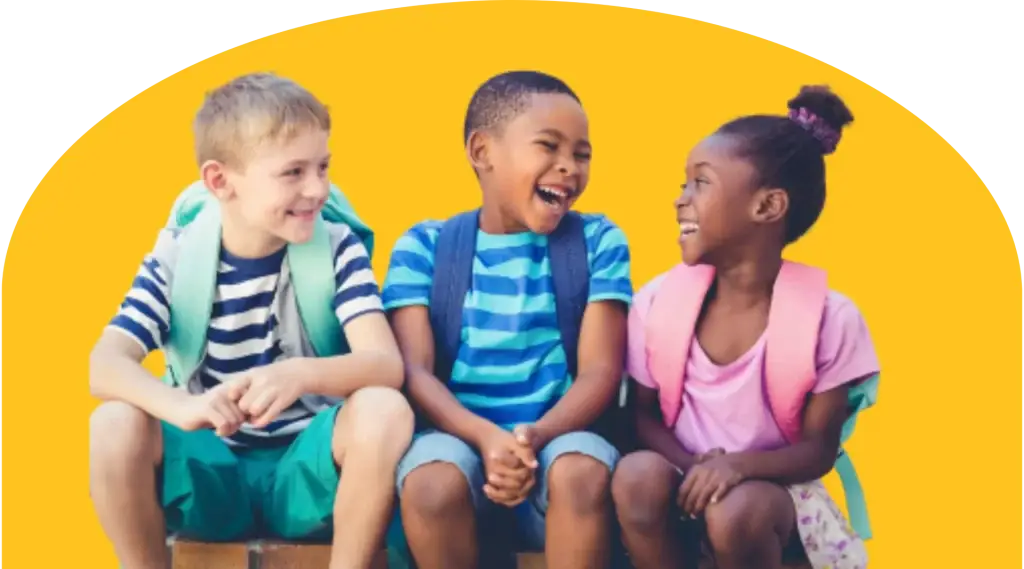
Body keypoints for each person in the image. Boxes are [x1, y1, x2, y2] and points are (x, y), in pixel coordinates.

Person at [87, 72, 414, 569]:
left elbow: (386, 364)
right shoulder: (179, 256)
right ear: (221, 181)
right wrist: (181, 406)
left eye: (323, 167)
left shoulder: (336, 248)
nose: (318, 188)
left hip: (308, 477)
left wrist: (300, 374)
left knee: (384, 408)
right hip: (212, 472)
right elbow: (105, 365)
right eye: (293, 172)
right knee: (114, 420)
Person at [612, 86, 878, 569]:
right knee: (635, 475)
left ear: (767, 207)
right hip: (681, 478)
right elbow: (641, 417)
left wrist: (736, 468)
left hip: (773, 502)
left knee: (737, 511)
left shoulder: (831, 319)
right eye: (684, 183)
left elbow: (819, 449)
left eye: (700, 182)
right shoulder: (656, 303)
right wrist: (697, 467)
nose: (680, 199)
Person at [381, 70, 633, 569]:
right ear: (482, 152)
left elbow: (600, 373)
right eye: (549, 146)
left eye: (581, 154)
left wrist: (531, 439)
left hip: (557, 447)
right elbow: (414, 372)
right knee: (430, 482)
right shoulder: (424, 247)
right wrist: (485, 439)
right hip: (460, 450)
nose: (569, 168)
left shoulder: (599, 241)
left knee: (581, 468)